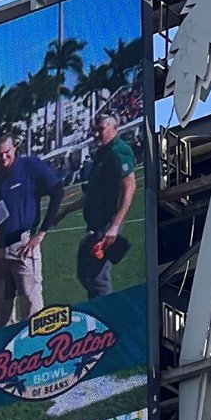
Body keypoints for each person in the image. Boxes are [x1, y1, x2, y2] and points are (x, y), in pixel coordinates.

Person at [0, 133, 64, 326]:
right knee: (1, 312)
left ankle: (37, 344)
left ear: (14, 148)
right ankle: (7, 345)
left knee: (33, 308)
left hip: (22, 246)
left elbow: (57, 191)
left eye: (7, 152)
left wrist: (41, 232)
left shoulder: (30, 166)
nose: (3, 158)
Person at [76, 113, 136, 297]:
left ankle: (107, 311)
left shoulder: (118, 151)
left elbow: (130, 186)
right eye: (94, 130)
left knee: (97, 277)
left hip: (106, 224)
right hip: (95, 224)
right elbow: (93, 194)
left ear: (114, 128)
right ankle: (99, 308)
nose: (96, 134)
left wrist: (115, 225)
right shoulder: (102, 153)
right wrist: (64, 211)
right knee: (86, 272)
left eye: (101, 129)